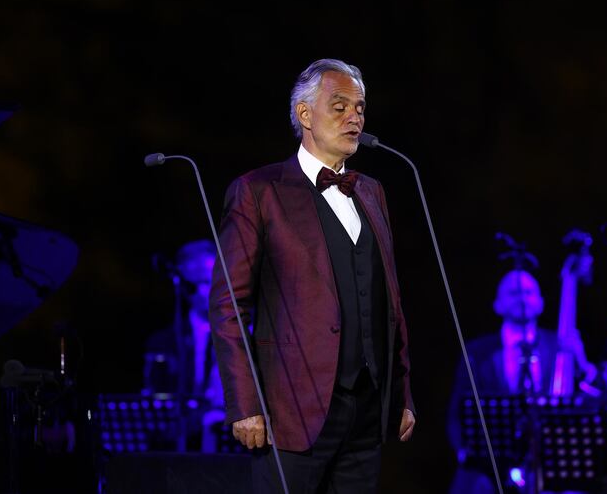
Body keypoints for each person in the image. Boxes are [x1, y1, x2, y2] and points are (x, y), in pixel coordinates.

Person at [208, 58, 415, 493]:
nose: (354, 117)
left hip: (365, 410)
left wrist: (401, 394)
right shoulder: (259, 192)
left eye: (359, 107)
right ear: (305, 114)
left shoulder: (373, 193)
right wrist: (244, 404)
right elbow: (228, 305)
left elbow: (388, 303)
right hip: (291, 413)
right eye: (339, 106)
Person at [447, 268, 595, 493]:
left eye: (528, 291)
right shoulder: (477, 352)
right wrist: (466, 454)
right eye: (514, 292)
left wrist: (582, 362)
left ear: (541, 302)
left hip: (547, 464)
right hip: (491, 467)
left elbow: (591, 401)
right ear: (497, 304)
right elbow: (456, 414)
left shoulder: (561, 346)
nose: (523, 298)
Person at [143, 239, 225, 450]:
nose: (217, 290)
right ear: (188, 288)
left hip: (227, 445)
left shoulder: (244, 335)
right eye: (206, 282)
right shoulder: (162, 343)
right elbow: (154, 400)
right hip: (177, 446)